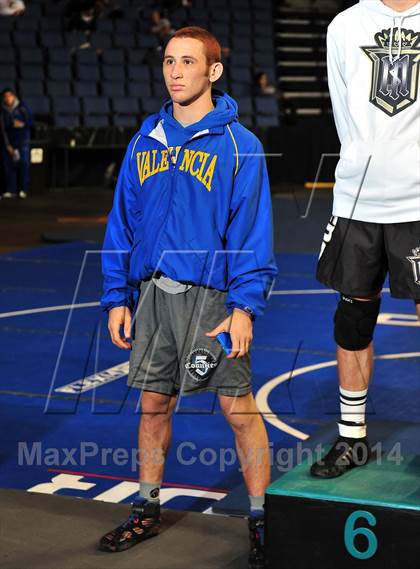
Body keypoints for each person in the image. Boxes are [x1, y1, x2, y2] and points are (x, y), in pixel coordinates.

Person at [99, 26, 277, 569]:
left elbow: (251, 233)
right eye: (169, 61)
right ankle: (146, 510)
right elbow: (122, 224)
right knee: (153, 405)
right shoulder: (144, 139)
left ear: (213, 72)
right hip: (153, 295)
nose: (175, 72)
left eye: (188, 62)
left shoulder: (239, 146)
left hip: (214, 300)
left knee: (238, 410)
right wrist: (117, 296)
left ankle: (261, 516)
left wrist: (244, 306)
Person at [311, 0, 420, 478]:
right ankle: (352, 436)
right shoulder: (345, 25)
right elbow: (343, 111)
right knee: (353, 318)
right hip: (359, 199)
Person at [0, 88, 32, 199]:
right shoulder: (2, 110)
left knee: (23, 164)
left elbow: (30, 122)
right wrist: (8, 145)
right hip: (9, 142)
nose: (8, 98)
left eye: (10, 95)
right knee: (8, 166)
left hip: (22, 142)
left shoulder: (23, 107)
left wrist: (22, 124)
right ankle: (10, 190)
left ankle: (23, 189)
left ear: (14, 96)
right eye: (5, 96)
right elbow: (3, 129)